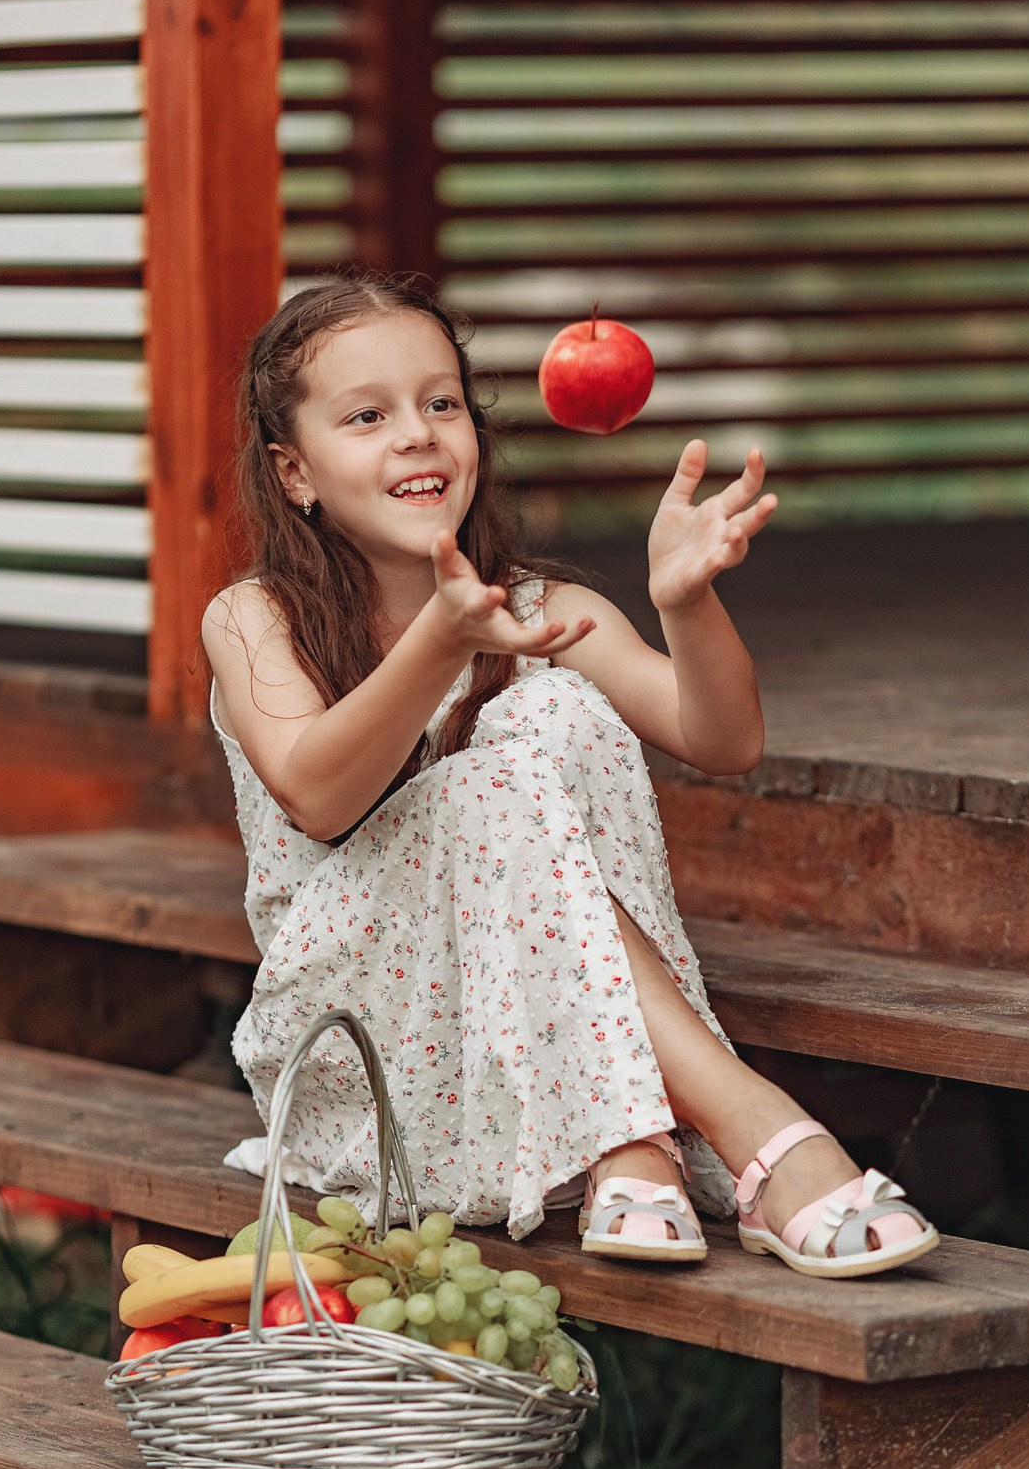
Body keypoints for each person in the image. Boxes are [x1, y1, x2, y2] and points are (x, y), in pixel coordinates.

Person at [202, 270, 938, 1279]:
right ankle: (757, 1130)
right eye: (368, 416)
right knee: (490, 780)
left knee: (554, 709)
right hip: (370, 1055)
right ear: (295, 473)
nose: (417, 435)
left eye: (441, 403)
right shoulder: (254, 619)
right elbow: (317, 795)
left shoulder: (541, 608)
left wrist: (684, 603)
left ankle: (627, 1144)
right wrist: (439, 642)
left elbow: (724, 739)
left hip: (533, 1038)